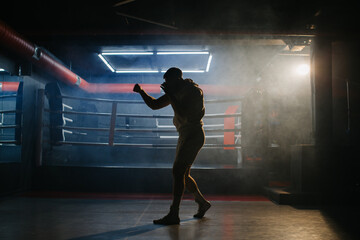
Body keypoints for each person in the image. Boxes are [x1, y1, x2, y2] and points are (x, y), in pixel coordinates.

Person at [133, 67, 211, 225]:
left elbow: (188, 115)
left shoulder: (193, 92)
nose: (165, 85)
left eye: (167, 82)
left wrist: (170, 95)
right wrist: (141, 92)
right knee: (183, 173)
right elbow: (155, 105)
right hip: (185, 135)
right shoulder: (175, 91)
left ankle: (174, 213)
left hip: (194, 135)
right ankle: (202, 202)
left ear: (176, 79)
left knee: (177, 171)